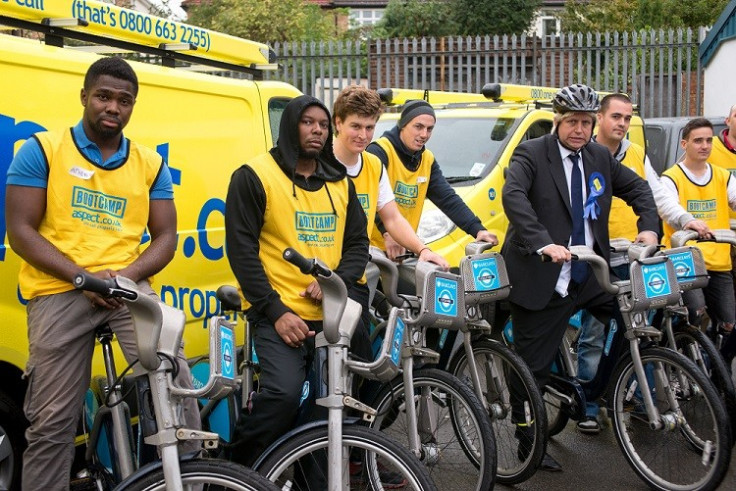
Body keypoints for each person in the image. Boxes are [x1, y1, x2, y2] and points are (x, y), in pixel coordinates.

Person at [5, 56, 199, 491]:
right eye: (104, 96)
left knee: (174, 386)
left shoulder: (149, 163)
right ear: (85, 97)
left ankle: (190, 480)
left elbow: (165, 237)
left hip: (125, 287)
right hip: (60, 288)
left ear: (133, 106)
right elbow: (20, 231)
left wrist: (123, 277)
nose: (113, 107)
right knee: (51, 422)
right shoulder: (42, 149)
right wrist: (83, 279)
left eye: (124, 100)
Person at [501, 84, 659, 471]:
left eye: (586, 122)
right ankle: (528, 442)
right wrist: (543, 243)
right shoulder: (533, 153)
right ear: (558, 120)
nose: (579, 129)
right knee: (530, 370)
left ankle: (596, 389)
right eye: (572, 121)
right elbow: (514, 196)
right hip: (543, 274)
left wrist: (650, 228)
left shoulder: (598, 157)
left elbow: (638, 188)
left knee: (632, 317)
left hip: (588, 273)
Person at [224, 95, 369, 472]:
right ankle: (233, 470)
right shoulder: (253, 176)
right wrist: (274, 311)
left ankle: (314, 478)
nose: (317, 130)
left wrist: (336, 280)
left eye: (322, 124)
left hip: (331, 315)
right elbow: (241, 251)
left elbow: (358, 244)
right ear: (290, 126)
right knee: (284, 394)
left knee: (329, 404)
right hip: (279, 313)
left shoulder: (339, 181)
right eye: (308, 122)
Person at [575, 93, 696, 434]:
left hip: (635, 256)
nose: (622, 124)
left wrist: (676, 223)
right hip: (599, 256)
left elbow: (656, 197)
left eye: (628, 118)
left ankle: (642, 401)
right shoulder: (583, 155)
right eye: (616, 116)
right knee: (594, 332)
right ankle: (588, 403)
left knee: (642, 330)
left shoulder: (637, 155)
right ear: (599, 117)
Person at [331, 85, 449, 361]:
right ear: (337, 122)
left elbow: (392, 217)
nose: (363, 135)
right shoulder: (319, 163)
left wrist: (423, 250)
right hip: (321, 275)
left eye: (369, 127)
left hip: (355, 274)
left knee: (358, 353)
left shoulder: (372, 165)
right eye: (356, 126)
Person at [365, 99, 498, 261]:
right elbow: (369, 197)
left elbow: (448, 199)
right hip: (371, 248)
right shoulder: (379, 152)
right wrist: (387, 232)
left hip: (405, 249)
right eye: (418, 127)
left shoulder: (426, 159)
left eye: (429, 129)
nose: (424, 135)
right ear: (403, 125)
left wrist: (477, 229)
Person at [661, 117, 736, 366]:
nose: (704, 146)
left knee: (728, 321)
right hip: (686, 260)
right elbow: (668, 207)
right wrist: (688, 220)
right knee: (696, 314)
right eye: (697, 141)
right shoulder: (671, 178)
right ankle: (686, 365)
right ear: (684, 144)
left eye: (708, 140)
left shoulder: (723, 177)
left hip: (718, 259)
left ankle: (718, 372)